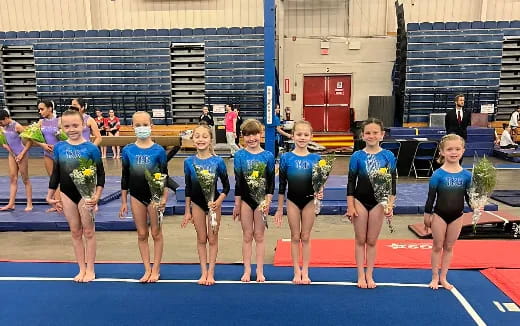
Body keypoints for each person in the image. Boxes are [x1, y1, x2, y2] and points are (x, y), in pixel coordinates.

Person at [46, 109, 105, 282]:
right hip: (66, 193)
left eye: (75, 125)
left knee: (88, 231)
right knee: (75, 231)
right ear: (62, 127)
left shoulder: (91, 148)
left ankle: (91, 269)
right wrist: (49, 195)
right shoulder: (59, 147)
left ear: (83, 125)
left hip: (86, 193)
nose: (71, 129)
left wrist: (97, 196)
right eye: (67, 126)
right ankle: (81, 268)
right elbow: (56, 173)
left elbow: (100, 174)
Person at [345, 118, 396, 289]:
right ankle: (360, 274)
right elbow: (351, 182)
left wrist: (390, 204)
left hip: (379, 202)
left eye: (375, 133)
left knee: (372, 241)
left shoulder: (388, 156)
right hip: (360, 200)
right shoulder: (357, 156)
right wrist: (350, 205)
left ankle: (369, 274)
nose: (371, 135)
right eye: (368, 133)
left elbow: (392, 182)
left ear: (382, 135)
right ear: (362, 135)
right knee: (360, 240)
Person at [119, 111, 169, 283]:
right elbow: (125, 177)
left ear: (151, 126)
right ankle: (146, 268)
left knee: (156, 232)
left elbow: (164, 176)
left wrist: (163, 198)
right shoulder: (128, 151)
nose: (142, 128)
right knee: (141, 234)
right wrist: (124, 201)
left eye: (145, 125)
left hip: (154, 196)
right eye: (138, 125)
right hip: (136, 196)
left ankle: (156, 269)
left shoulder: (159, 151)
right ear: (132, 127)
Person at [274, 120, 323, 284]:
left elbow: (319, 183)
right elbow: (282, 186)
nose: (302, 137)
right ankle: (296, 270)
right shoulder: (286, 158)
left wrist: (320, 191)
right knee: (295, 236)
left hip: (309, 201)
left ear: (311, 137)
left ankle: (306, 270)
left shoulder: (316, 158)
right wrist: (280, 209)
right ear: (293, 136)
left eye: (306, 134)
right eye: (299, 134)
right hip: (293, 201)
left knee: (306, 236)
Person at [181, 124, 230, 286]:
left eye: (204, 136)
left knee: (213, 238)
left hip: (214, 204)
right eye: (197, 136)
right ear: (193, 139)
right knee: (201, 238)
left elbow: (227, 187)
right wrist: (187, 211)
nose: (201, 139)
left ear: (210, 140)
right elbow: (188, 188)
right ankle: (203, 271)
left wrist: (219, 201)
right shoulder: (189, 162)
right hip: (197, 204)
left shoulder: (218, 161)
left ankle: (211, 271)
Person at [424, 134, 471, 290]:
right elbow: (431, 198)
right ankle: (434, 276)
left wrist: (477, 205)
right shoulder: (438, 174)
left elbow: (469, 197)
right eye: (449, 149)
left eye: (457, 149)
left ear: (463, 151)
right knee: (437, 246)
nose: (453, 152)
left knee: (449, 247)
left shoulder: (466, 175)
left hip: (457, 215)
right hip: (439, 215)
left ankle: (443, 277)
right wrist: (427, 215)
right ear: (442, 152)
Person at [233, 119, 275, 282]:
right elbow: (238, 182)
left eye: (255, 134)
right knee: (247, 235)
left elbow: (271, 181)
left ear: (261, 134)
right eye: (247, 135)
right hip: (245, 200)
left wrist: (268, 201)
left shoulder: (267, 156)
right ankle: (247, 269)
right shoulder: (239, 156)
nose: (251, 138)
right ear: (242, 136)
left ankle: (259, 270)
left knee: (259, 235)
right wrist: (237, 204)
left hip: (261, 200)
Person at [0, 109, 32, 211]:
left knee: (25, 179)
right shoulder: (3, 127)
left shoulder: (17, 126)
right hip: (12, 154)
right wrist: (5, 146)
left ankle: (29, 204)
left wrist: (22, 154)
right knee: (13, 178)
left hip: (21, 153)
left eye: (1, 122)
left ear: (6, 118)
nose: (0, 124)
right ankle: (11, 204)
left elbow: (30, 141)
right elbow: (6, 141)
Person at [34, 100, 61, 212]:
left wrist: (60, 137)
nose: (40, 112)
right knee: (53, 179)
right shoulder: (40, 122)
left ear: (50, 108)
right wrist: (43, 145)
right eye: (39, 109)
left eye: (42, 109)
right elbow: (32, 138)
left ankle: (62, 203)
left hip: (59, 153)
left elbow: (66, 137)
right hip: (47, 154)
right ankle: (56, 204)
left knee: (61, 179)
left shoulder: (59, 121)